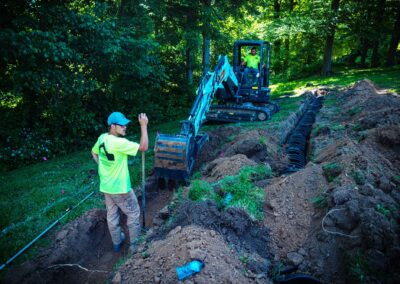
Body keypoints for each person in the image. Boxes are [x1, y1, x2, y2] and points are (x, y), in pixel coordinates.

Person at [91, 111, 148, 252]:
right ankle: (135, 247)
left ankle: (117, 242)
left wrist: (102, 167)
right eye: (122, 125)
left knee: (112, 215)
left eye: (125, 125)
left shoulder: (102, 138)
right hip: (120, 188)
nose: (125, 127)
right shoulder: (119, 143)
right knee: (134, 212)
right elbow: (143, 147)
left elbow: (93, 152)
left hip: (106, 186)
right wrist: (144, 126)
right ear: (112, 126)